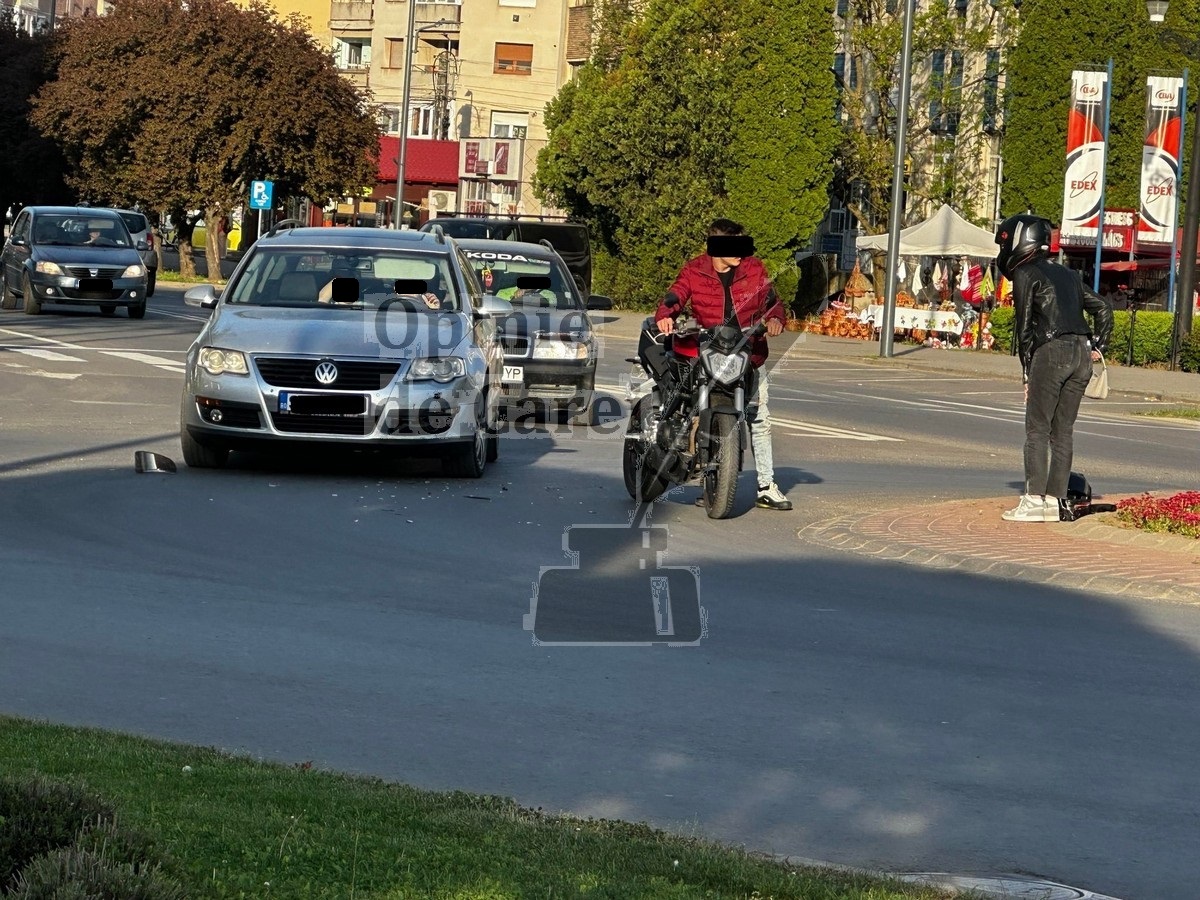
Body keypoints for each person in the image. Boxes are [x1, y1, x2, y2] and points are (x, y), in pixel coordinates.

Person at [650, 218, 792, 511]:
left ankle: (766, 486)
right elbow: (675, 296)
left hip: (748, 353)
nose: (741, 252)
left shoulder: (754, 269)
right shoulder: (694, 270)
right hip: (705, 349)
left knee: (760, 418)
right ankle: (695, 464)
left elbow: (772, 301)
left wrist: (776, 319)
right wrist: (665, 314)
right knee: (693, 406)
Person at [995, 214, 1113, 523]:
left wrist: (1026, 372)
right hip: (1081, 354)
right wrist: (1097, 346)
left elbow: (1023, 330)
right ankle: (1057, 503)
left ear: (1020, 241)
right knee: (1063, 432)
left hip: (1051, 350)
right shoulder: (1069, 274)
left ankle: (1034, 500)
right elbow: (1103, 307)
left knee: (1037, 428)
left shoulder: (1024, 273)